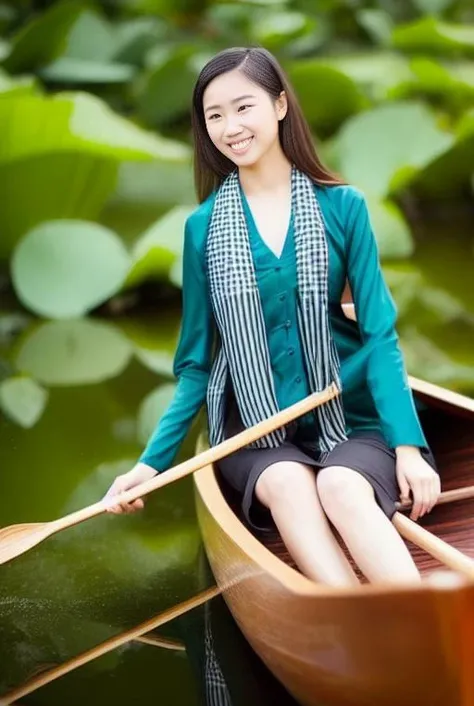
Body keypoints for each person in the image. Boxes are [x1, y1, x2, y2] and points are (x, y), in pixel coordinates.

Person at [103, 46, 441, 586]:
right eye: (214, 116)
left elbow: (379, 337)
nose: (230, 127)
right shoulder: (202, 229)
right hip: (257, 434)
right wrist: (148, 466)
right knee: (287, 483)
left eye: (244, 107)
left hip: (349, 416)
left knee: (340, 486)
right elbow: (196, 365)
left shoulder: (343, 207)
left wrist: (407, 447)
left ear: (280, 105)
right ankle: (349, 621)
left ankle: (423, 617)